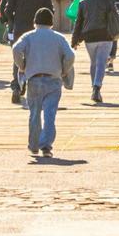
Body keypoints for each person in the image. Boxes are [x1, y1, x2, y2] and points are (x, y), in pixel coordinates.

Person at [12, 8, 75, 158]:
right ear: (51, 23)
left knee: (34, 114)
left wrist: (22, 66)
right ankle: (46, 146)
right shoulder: (59, 38)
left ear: (35, 22)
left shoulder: (28, 36)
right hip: (53, 80)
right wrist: (64, 70)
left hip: (34, 79)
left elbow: (16, 49)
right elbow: (70, 55)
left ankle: (33, 145)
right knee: (50, 114)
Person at [0, 0, 52, 103]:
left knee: (18, 59)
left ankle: (16, 87)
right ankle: (34, 89)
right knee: (36, 58)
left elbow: (7, 9)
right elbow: (49, 9)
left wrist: (11, 21)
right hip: (38, 30)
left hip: (19, 29)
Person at [71, 0, 119, 103]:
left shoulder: (83, 3)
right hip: (105, 36)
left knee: (94, 62)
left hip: (89, 37)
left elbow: (78, 23)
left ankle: (94, 87)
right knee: (101, 63)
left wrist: (75, 40)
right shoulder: (109, 0)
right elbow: (116, 17)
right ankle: (96, 87)